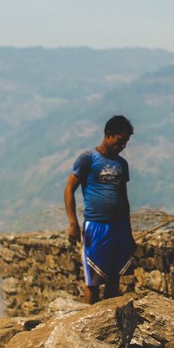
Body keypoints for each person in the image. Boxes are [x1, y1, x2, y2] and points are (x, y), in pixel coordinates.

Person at [64, 115, 135, 304]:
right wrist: (73, 224)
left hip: (118, 227)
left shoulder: (122, 164)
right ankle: (90, 321)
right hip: (95, 226)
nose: (123, 146)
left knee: (115, 277)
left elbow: (123, 198)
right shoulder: (88, 159)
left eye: (126, 142)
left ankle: (111, 319)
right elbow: (69, 190)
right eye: (120, 141)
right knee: (93, 281)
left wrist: (128, 232)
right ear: (108, 135)